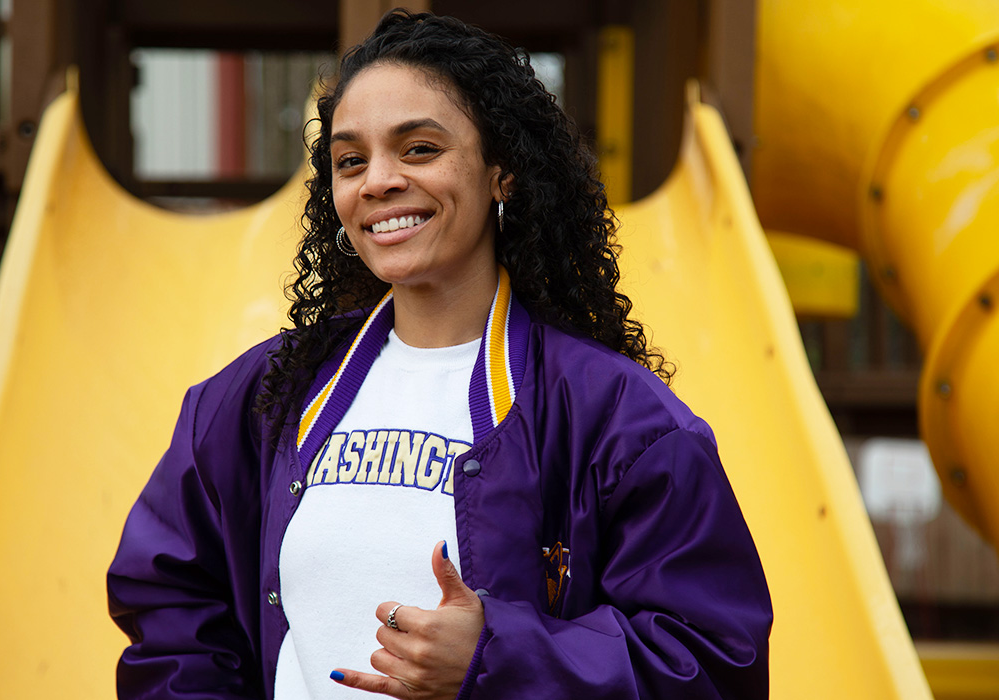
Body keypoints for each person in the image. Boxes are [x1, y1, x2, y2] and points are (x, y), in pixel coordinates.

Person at [107, 10, 771, 700]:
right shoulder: (258, 399)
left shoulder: (622, 421)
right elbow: (171, 602)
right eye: (350, 160)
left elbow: (713, 661)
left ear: (501, 174)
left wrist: (497, 659)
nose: (378, 181)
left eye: (419, 149)